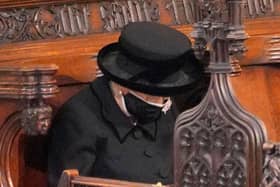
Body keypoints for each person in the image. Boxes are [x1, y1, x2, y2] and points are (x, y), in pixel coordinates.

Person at [47, 22, 207, 187]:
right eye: (152, 95)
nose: (162, 104)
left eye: (165, 98)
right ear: (124, 85)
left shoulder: (165, 102)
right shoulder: (78, 119)